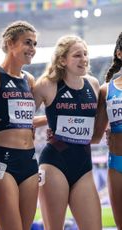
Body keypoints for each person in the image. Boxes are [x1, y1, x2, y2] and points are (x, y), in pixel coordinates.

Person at [33, 35, 102, 230]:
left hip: (83, 164)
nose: (84, 59)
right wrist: (49, 121)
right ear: (63, 60)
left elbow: (93, 122)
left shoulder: (94, 85)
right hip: (55, 163)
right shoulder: (47, 84)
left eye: (86, 54)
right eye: (77, 55)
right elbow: (22, 119)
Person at [0, 21, 39, 230]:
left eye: (35, 43)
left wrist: (53, 123)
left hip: (30, 162)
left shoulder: (30, 80)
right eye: (27, 42)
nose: (33, 49)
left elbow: (24, 122)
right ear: (10, 43)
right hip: (3, 162)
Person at [92, 32, 122, 229]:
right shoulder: (106, 89)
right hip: (117, 162)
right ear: (120, 54)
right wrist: (59, 132)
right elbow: (95, 135)